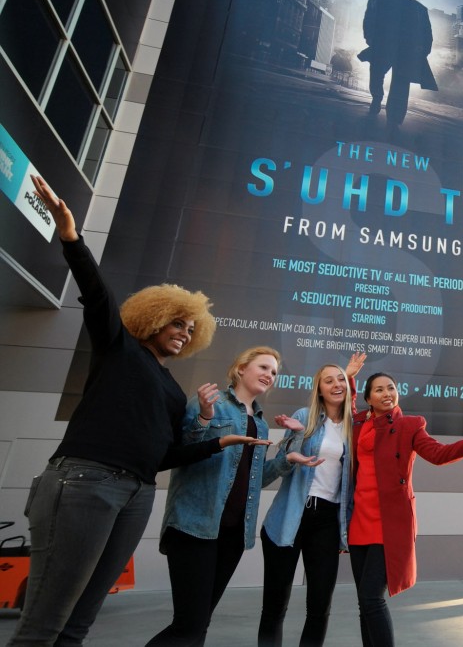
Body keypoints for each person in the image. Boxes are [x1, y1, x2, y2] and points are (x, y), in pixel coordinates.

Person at [9, 176, 268, 647]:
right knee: (45, 622)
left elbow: (164, 454)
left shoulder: (172, 389)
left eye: (192, 329)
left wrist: (216, 439)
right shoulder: (118, 347)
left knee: (80, 622)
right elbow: (97, 296)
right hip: (85, 482)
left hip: (137, 493)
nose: (185, 333)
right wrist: (71, 237)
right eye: (177, 322)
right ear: (152, 317)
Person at [146, 346, 304, 646]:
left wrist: (289, 452)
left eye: (274, 372)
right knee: (188, 626)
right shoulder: (209, 404)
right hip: (195, 527)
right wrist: (205, 419)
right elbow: (180, 453)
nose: (269, 375)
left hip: (231, 535)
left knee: (200, 623)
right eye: (263, 367)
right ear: (241, 368)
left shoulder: (258, 421)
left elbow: (257, 479)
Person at [348, 372, 463, 646]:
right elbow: (345, 407)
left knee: (372, 597)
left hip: (390, 523)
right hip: (359, 519)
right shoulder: (359, 422)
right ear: (368, 398)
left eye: (391, 388)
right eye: (379, 390)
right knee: (364, 601)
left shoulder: (409, 426)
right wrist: (349, 378)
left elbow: (438, 454)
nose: (387, 394)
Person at [257, 353, 366, 647]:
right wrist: (292, 446)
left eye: (340, 380)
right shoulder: (304, 417)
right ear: (318, 389)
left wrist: (350, 374)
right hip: (290, 516)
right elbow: (274, 469)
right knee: (275, 605)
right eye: (327, 381)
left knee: (319, 607)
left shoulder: (352, 427)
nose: (336, 385)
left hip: (328, 522)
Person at [357, 0, 437, 134]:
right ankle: (377, 98)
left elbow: (427, 32)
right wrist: (369, 38)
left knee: (400, 85)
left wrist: (423, 51)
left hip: (405, 52)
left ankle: (394, 118)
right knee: (376, 75)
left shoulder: (419, 9)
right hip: (382, 45)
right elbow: (369, 18)